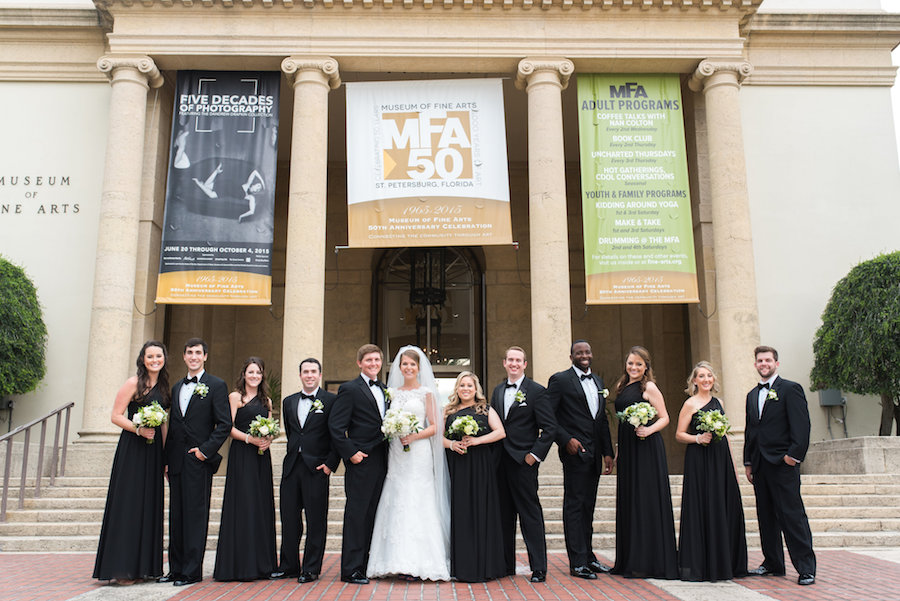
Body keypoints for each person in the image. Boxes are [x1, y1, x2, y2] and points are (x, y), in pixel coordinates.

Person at [367, 346, 451, 581]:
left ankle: (419, 561)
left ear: (419, 367)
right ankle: (392, 560)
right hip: (397, 452)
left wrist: (414, 436)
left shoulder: (427, 394)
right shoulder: (391, 393)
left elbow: (435, 426)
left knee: (417, 498)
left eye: (412, 364)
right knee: (397, 497)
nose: (408, 368)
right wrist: (393, 429)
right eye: (404, 364)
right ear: (399, 367)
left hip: (418, 451)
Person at [93, 341, 170, 585]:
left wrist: (166, 456)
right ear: (143, 359)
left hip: (154, 452)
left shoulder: (165, 387)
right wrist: (138, 429)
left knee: (149, 505)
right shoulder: (133, 383)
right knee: (129, 504)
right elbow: (115, 415)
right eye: (150, 356)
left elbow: (165, 424)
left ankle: (143, 568)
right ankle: (121, 568)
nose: (154, 360)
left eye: (158, 355)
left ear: (164, 358)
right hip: (133, 450)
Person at [160, 338, 232, 586]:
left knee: (194, 516)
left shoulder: (216, 385)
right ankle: (175, 568)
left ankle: (191, 571)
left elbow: (224, 425)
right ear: (183, 356)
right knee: (176, 516)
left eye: (198, 352)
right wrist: (167, 461)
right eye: (189, 352)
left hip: (199, 461)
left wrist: (205, 451)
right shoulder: (177, 386)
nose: (193, 356)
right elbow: (174, 426)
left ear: (205, 356)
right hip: (177, 462)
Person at [744, 345, 816, 586]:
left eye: (767, 360)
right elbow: (750, 431)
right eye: (760, 361)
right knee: (766, 516)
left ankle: (806, 568)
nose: (763, 364)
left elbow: (802, 426)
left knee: (792, 516)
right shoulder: (751, 395)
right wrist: (748, 462)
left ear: (776, 363)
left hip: (783, 463)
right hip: (760, 465)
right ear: (755, 365)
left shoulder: (790, 389)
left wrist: (793, 456)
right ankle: (773, 562)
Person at [547, 339, 615, 580]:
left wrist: (608, 452)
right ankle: (577, 562)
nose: (584, 355)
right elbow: (549, 418)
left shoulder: (598, 381)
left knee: (589, 507)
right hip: (575, 454)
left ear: (591, 354)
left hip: (596, 455)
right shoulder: (560, 380)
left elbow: (602, 420)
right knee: (574, 507)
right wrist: (567, 440)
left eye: (587, 351)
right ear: (571, 356)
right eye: (579, 352)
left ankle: (589, 557)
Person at [675, 361, 748, 581]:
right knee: (704, 506)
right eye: (701, 376)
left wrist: (734, 467)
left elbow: (724, 434)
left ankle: (726, 564)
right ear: (694, 381)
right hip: (699, 460)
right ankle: (704, 564)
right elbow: (679, 434)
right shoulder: (690, 404)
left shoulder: (719, 402)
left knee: (724, 506)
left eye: (709, 376)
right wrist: (698, 438)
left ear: (713, 379)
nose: (706, 379)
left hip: (720, 459)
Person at [611, 345, 678, 579]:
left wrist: (648, 431)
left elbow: (665, 417)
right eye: (631, 363)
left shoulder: (648, 387)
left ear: (646, 366)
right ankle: (631, 558)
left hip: (646, 448)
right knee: (631, 499)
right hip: (628, 449)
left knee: (646, 498)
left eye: (639, 364)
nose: (634, 367)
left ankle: (651, 560)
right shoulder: (621, 386)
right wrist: (618, 449)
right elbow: (621, 422)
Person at [489, 346, 555, 582]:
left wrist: (534, 456)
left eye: (518, 360)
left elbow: (550, 428)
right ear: (504, 363)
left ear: (525, 364)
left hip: (523, 463)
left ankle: (539, 567)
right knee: (504, 515)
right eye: (510, 360)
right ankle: (507, 565)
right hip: (500, 463)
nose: (514, 363)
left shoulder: (537, 391)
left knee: (530, 514)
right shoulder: (497, 390)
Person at [271, 358, 339, 583]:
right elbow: (293, 434)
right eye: (305, 372)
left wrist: (330, 464)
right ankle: (289, 566)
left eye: (313, 371)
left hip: (317, 469)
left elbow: (336, 435)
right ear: (300, 375)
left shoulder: (330, 401)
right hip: (291, 467)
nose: (309, 375)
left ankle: (310, 568)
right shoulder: (289, 402)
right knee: (289, 520)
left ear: (320, 375)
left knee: (316, 520)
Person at [328, 344, 389, 585]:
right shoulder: (350, 389)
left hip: (383, 460)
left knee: (373, 513)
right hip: (361, 461)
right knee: (357, 514)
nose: (373, 364)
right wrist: (351, 453)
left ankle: (366, 565)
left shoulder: (385, 390)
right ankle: (351, 568)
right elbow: (335, 426)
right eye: (369, 360)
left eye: (377, 360)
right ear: (359, 363)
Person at [213, 357, 277, 581]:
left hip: (261, 457)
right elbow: (228, 428)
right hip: (242, 455)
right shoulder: (235, 397)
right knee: (243, 505)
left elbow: (270, 427)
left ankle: (261, 564)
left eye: (258, 373)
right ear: (244, 374)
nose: (254, 376)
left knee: (260, 504)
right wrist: (250, 439)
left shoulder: (267, 401)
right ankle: (238, 566)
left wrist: (267, 438)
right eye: (251, 372)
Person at [442, 371, 507, 582]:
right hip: (458, 466)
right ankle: (463, 567)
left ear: (475, 388)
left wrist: (477, 441)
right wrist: (453, 444)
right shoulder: (448, 411)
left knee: (482, 510)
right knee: (461, 512)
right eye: (462, 386)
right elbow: (437, 438)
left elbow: (500, 432)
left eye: (469, 385)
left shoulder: (485, 409)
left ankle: (485, 566)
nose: (466, 389)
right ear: (457, 389)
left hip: (481, 466)